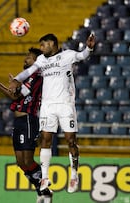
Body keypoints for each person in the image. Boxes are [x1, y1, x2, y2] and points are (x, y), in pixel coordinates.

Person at [9, 33, 96, 193]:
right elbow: (28, 72)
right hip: (47, 107)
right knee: (45, 141)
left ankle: (74, 175)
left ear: (52, 43)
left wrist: (89, 48)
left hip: (65, 105)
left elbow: (82, 55)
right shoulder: (41, 60)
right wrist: (16, 79)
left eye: (43, 45)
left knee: (70, 141)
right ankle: (45, 177)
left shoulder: (67, 55)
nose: (41, 48)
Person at [0, 48, 53, 203]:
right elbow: (16, 94)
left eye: (29, 57)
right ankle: (41, 190)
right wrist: (15, 84)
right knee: (21, 162)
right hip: (19, 121)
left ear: (36, 61)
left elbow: (15, 96)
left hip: (28, 120)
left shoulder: (36, 77)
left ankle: (45, 190)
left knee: (28, 160)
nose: (25, 59)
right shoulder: (26, 79)